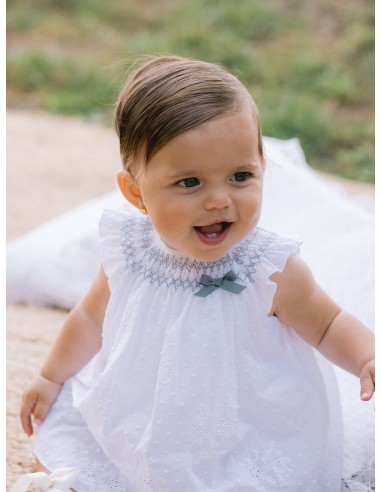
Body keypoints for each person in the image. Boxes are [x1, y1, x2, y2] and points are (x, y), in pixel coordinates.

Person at [18, 55, 374, 491]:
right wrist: (51, 376)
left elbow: (327, 323)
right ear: (137, 192)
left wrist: (366, 357)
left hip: (244, 423)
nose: (219, 201)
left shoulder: (268, 268)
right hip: (147, 410)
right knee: (86, 455)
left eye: (240, 176)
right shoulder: (129, 254)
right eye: (190, 183)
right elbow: (91, 318)